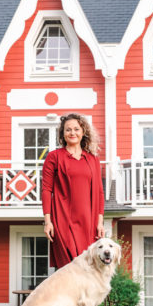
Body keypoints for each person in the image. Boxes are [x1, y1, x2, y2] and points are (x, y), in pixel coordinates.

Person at [41, 113, 105, 269]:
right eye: (68, 129)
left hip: (88, 221)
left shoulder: (93, 159)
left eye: (76, 129)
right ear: (63, 134)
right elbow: (46, 189)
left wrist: (100, 223)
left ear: (83, 132)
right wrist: (48, 221)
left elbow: (99, 192)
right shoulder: (54, 157)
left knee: (87, 267)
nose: (72, 133)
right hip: (62, 218)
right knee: (68, 268)